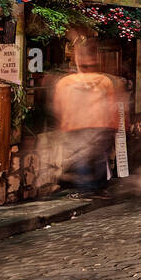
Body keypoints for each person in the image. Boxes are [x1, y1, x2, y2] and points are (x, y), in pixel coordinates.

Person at [52, 38, 120, 199]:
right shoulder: (105, 81)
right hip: (101, 124)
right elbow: (111, 104)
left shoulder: (65, 82)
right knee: (99, 157)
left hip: (75, 124)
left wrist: (62, 122)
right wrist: (114, 125)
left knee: (81, 156)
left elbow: (58, 105)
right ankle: (98, 188)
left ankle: (87, 189)